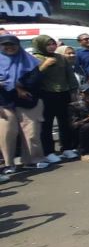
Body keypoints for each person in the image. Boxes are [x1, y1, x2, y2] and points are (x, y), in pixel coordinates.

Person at [0, 34, 48, 173]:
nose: (9, 47)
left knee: (31, 132)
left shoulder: (29, 61)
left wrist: (14, 85)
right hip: (3, 102)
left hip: (27, 101)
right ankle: (8, 164)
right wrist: (16, 86)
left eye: (12, 44)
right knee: (7, 133)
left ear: (18, 45)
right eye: (5, 45)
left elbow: (35, 81)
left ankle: (33, 160)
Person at [30, 35, 78, 162]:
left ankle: (66, 148)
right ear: (40, 45)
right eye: (48, 44)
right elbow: (33, 78)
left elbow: (70, 75)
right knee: (47, 125)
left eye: (53, 44)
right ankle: (49, 152)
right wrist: (44, 65)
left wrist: (73, 91)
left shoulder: (61, 57)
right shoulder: (35, 58)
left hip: (63, 93)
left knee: (65, 122)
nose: (51, 46)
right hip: (46, 94)